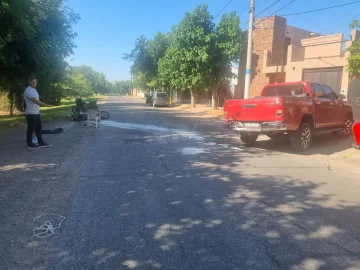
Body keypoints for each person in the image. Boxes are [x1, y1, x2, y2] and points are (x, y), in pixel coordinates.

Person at [24, 76, 53, 149]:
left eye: (35, 82)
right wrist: (47, 105)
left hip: (35, 112)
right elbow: (36, 101)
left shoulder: (33, 90)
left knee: (38, 128)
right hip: (31, 113)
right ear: (29, 82)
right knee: (31, 128)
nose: (34, 83)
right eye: (32, 82)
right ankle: (30, 144)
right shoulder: (28, 90)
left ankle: (41, 142)